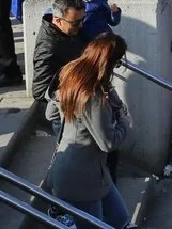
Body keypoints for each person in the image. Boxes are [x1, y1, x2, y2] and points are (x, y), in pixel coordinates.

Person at [46, 34, 132, 226]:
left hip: (91, 171)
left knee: (120, 219)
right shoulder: (93, 97)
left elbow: (50, 113)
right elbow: (108, 143)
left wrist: (71, 128)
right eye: (117, 63)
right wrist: (125, 122)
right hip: (82, 178)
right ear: (109, 63)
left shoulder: (72, 72)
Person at [31, 0, 87, 104]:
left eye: (83, 19)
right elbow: (40, 92)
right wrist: (80, 92)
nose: (81, 25)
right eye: (75, 23)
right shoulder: (48, 47)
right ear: (58, 21)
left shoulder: (70, 30)